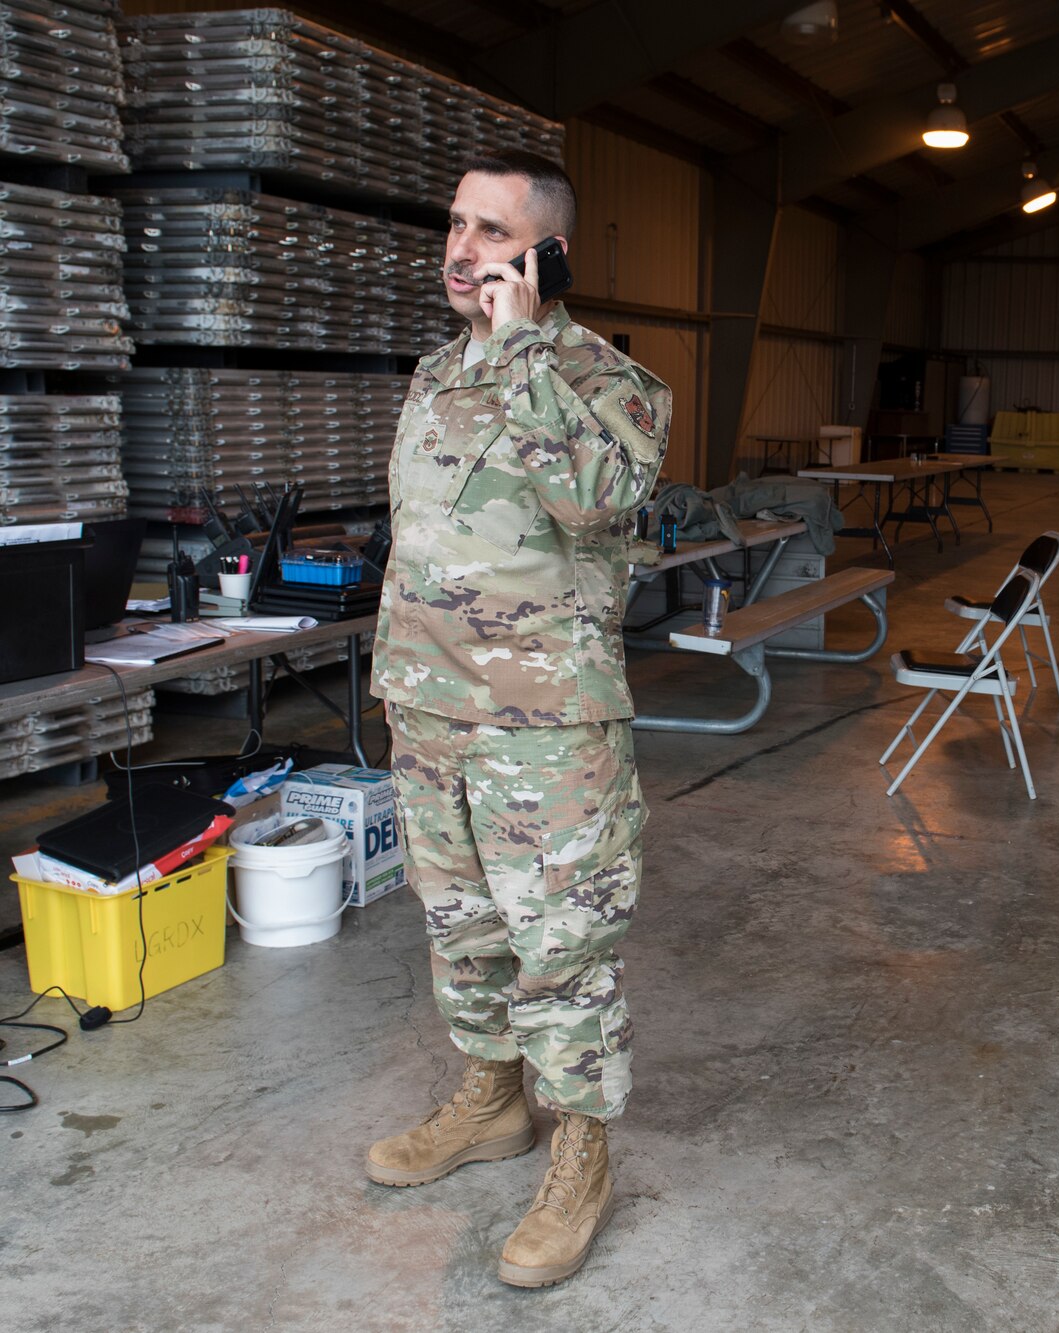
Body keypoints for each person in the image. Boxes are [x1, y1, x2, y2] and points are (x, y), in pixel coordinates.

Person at [363, 149, 670, 1289]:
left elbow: (596, 500)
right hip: (429, 713)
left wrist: (527, 347)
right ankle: (492, 1104)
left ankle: (581, 1154)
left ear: (546, 253)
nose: (461, 250)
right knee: (462, 931)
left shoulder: (607, 380)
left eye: (491, 232)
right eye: (455, 225)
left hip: (545, 734)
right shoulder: (436, 374)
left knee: (565, 954)